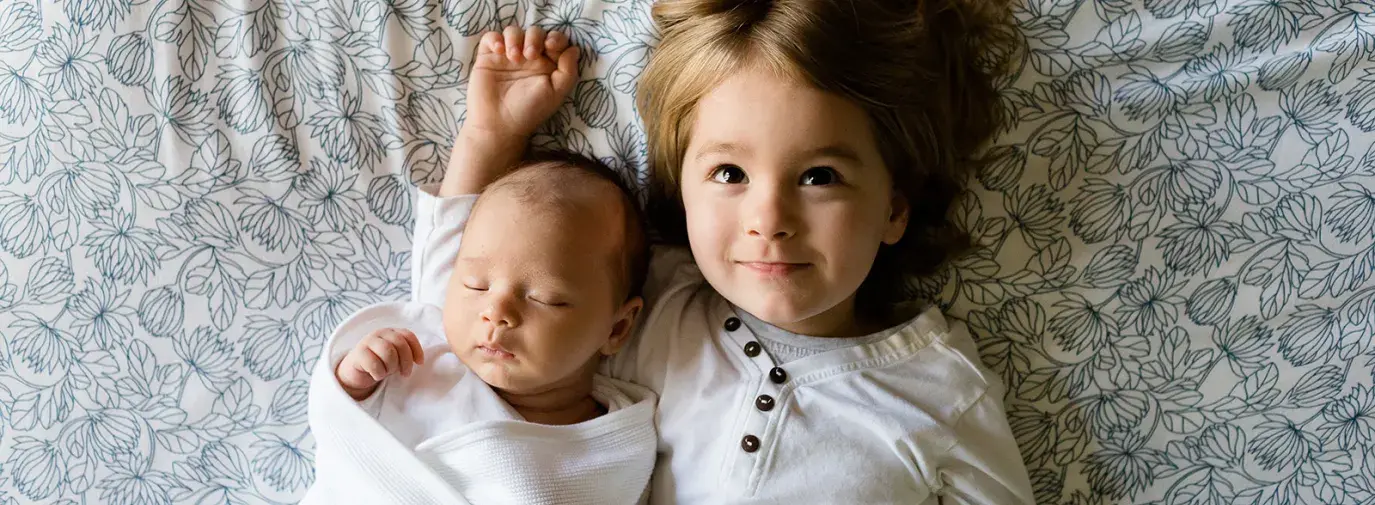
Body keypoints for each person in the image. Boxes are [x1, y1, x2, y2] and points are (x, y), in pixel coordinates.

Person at [615, 0, 1037, 502]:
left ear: (894, 211)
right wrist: (496, 142)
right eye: (730, 174)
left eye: (820, 177)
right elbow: (506, 309)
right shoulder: (647, 304)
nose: (769, 221)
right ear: (679, 189)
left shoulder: (945, 392)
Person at [304, 27, 656, 505]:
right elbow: (350, 444)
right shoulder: (428, 348)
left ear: (617, 327)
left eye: (545, 297)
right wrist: (355, 383)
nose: (497, 311)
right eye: (473, 284)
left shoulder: (615, 443)